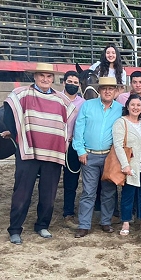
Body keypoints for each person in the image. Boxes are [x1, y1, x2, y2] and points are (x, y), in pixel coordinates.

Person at [2, 63, 77, 245]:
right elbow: (8, 112)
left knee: (48, 193)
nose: (45, 79)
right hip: (28, 150)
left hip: (52, 152)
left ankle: (42, 225)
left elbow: (70, 120)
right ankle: (15, 229)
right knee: (22, 191)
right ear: (35, 77)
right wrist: (18, 135)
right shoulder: (22, 94)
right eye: (41, 76)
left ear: (53, 79)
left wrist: (63, 140)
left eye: (49, 76)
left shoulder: (62, 100)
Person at [71, 76, 124, 238]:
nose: (107, 91)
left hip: (109, 156)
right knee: (88, 191)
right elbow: (78, 128)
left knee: (109, 191)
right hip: (90, 155)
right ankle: (84, 224)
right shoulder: (87, 106)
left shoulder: (120, 109)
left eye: (111, 89)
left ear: (115, 91)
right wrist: (80, 150)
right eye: (104, 88)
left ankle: (106, 221)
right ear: (99, 90)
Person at [113, 94, 141, 235]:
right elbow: (118, 145)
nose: (135, 108)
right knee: (128, 195)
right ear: (128, 106)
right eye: (133, 105)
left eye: (138, 105)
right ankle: (125, 222)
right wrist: (125, 165)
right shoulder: (121, 122)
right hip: (130, 165)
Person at [61, 71, 86, 230]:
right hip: (56, 144)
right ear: (64, 82)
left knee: (71, 179)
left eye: (76, 83)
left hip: (73, 145)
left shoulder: (83, 103)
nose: (73, 84)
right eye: (70, 81)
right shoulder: (56, 98)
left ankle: (68, 212)